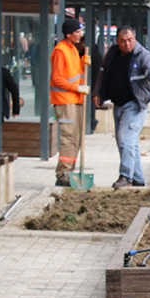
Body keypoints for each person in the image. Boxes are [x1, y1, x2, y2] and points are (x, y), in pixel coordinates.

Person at [92, 26, 150, 188]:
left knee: (126, 140)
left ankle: (125, 176)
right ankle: (138, 177)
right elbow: (103, 74)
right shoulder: (112, 54)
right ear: (117, 41)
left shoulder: (142, 55)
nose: (126, 44)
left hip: (135, 105)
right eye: (123, 41)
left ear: (135, 39)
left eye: (130, 40)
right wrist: (98, 94)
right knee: (126, 142)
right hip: (118, 104)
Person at [50, 17, 90, 187]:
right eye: (77, 32)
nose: (80, 35)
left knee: (77, 138)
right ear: (68, 34)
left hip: (75, 100)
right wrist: (77, 88)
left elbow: (72, 72)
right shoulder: (60, 50)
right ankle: (63, 173)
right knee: (69, 138)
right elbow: (57, 79)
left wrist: (82, 63)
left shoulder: (72, 49)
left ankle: (70, 171)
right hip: (65, 102)